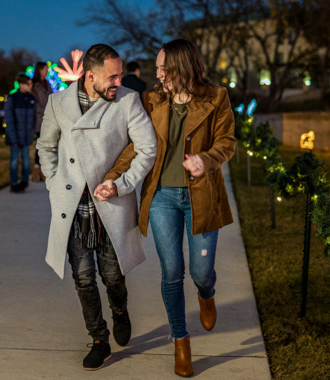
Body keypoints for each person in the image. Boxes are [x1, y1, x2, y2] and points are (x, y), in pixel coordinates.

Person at [95, 39, 236, 377]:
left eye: (163, 68)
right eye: (158, 67)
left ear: (182, 68)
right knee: (171, 273)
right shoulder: (152, 100)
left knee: (200, 273)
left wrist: (206, 159)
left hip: (202, 198)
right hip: (161, 198)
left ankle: (207, 293)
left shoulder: (216, 97)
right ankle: (181, 341)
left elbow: (227, 142)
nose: (157, 73)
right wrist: (113, 178)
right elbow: (135, 146)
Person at [36, 44, 156, 370]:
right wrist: (52, 183)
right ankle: (99, 340)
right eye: (112, 76)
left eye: (120, 74)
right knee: (84, 277)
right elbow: (45, 146)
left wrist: (122, 183)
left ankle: (119, 309)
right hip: (74, 207)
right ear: (90, 76)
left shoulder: (127, 101)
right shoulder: (59, 102)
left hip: (111, 203)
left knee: (113, 275)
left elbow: (147, 148)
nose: (119, 81)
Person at [4, 73, 36, 193]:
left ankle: (24, 181)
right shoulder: (12, 98)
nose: (30, 87)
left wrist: (32, 132)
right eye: (28, 84)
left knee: (26, 161)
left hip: (26, 137)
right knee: (14, 160)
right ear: (21, 84)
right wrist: (13, 138)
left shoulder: (31, 99)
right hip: (15, 138)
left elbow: (33, 118)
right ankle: (13, 183)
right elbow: (9, 120)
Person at [31, 61, 51, 182]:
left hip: (48, 118)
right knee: (40, 144)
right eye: (45, 69)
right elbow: (35, 102)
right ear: (40, 70)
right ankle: (37, 169)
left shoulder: (47, 84)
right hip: (39, 118)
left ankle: (43, 169)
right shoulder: (34, 85)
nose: (47, 71)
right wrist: (42, 111)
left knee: (47, 144)